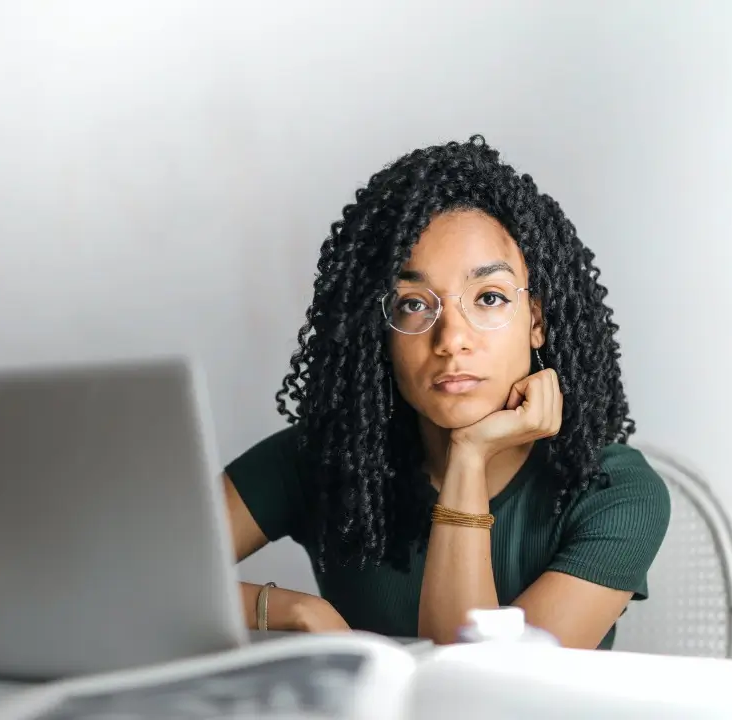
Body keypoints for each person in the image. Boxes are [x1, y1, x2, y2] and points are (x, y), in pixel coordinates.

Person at [223, 135, 671, 649]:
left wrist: (470, 455)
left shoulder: (614, 491)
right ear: (381, 331)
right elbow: (127, 576)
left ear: (537, 322)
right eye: (414, 304)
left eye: (489, 297)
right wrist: (295, 609)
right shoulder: (326, 458)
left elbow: (480, 693)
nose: (452, 339)